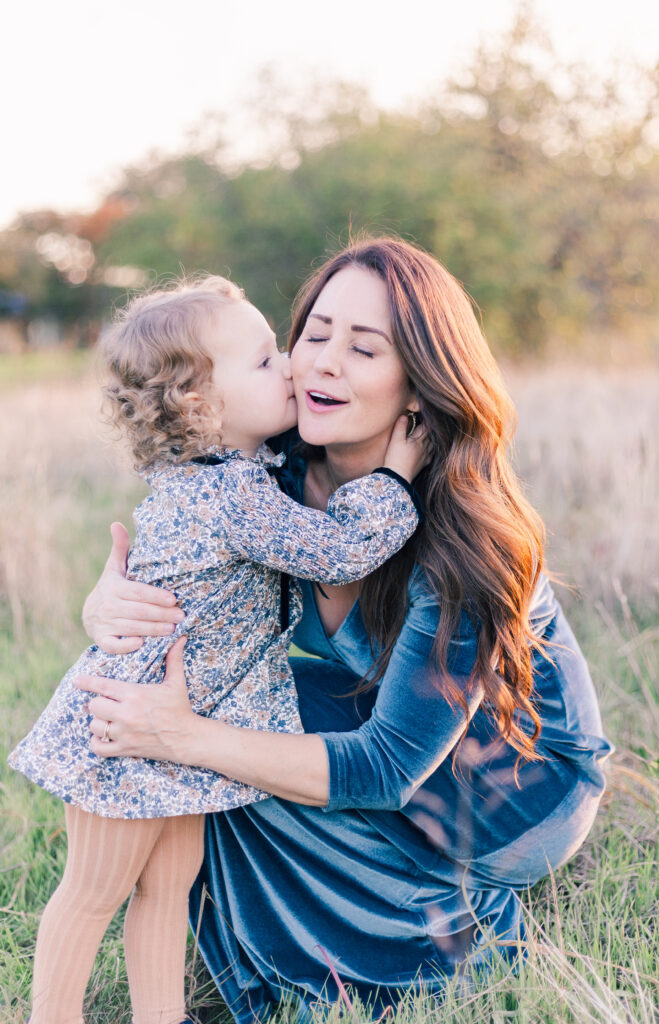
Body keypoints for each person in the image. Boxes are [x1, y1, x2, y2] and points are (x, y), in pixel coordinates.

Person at [78, 238, 613, 1023]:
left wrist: (181, 735)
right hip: (384, 715)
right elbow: (180, 540)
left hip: (514, 783)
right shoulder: (275, 472)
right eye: (314, 333)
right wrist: (108, 601)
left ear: (419, 384)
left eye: (364, 348)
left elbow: (390, 765)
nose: (321, 363)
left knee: (216, 730)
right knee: (218, 696)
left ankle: (447, 933)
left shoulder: (468, 536)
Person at [9, 273, 428, 1024]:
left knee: (170, 887)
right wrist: (396, 478)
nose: (292, 368)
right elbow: (338, 550)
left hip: (181, 725)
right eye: (267, 361)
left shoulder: (239, 475)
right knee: (93, 891)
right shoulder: (227, 493)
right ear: (204, 405)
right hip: (131, 729)